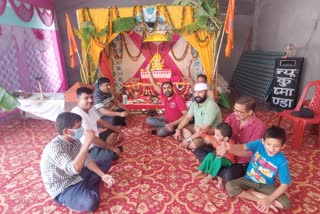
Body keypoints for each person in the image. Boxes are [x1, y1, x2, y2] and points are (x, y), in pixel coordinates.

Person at [40, 112, 115, 212]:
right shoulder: (54, 149)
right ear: (67, 131)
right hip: (64, 186)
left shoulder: (74, 140)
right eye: (79, 127)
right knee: (90, 203)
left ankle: (87, 186)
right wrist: (87, 142)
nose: (82, 129)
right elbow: (73, 169)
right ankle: (77, 194)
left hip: (77, 173)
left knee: (106, 162)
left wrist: (102, 175)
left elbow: (87, 160)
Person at [220, 126, 291, 213]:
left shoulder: (282, 161)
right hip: (248, 179)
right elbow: (243, 147)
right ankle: (258, 198)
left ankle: (252, 192)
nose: (271, 149)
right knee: (229, 186)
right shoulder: (259, 144)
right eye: (268, 144)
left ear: (283, 146)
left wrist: (269, 199)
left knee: (286, 203)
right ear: (263, 141)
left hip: (266, 185)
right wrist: (229, 147)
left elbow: (284, 185)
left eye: (276, 146)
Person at [194, 96, 266, 182]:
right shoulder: (233, 117)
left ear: (250, 112)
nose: (235, 113)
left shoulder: (259, 127)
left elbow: (250, 153)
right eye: (234, 110)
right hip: (223, 151)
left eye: (239, 112)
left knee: (229, 175)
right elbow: (221, 131)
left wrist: (229, 150)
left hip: (241, 160)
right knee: (199, 150)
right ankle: (215, 169)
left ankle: (213, 169)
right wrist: (206, 131)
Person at [72, 87, 123, 162]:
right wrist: (111, 148)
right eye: (86, 98)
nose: (90, 100)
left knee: (113, 133)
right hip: (87, 147)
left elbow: (102, 122)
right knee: (112, 156)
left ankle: (104, 150)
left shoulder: (89, 109)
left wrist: (118, 131)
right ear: (78, 100)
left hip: (96, 138)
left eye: (91, 97)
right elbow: (91, 139)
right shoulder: (77, 114)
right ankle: (106, 152)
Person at [174, 83, 222, 150]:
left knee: (192, 145)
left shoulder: (211, 106)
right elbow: (187, 117)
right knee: (181, 128)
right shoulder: (194, 104)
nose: (197, 95)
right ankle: (192, 138)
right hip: (197, 129)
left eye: (200, 92)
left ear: (206, 92)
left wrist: (188, 139)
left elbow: (204, 130)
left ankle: (194, 141)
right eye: (195, 92)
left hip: (209, 133)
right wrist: (178, 129)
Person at [146, 64, 188, 137]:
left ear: (172, 88)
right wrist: (149, 72)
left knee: (160, 133)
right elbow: (154, 83)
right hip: (167, 120)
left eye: (168, 88)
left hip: (177, 123)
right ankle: (165, 126)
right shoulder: (164, 96)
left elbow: (186, 115)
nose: (166, 90)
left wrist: (173, 124)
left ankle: (168, 128)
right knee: (148, 120)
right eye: (165, 88)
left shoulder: (178, 98)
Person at [193, 122, 235, 188]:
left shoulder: (229, 144)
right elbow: (207, 137)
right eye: (215, 134)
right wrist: (200, 132)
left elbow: (226, 154)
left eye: (217, 135)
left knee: (218, 159)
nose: (215, 136)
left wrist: (220, 150)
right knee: (210, 155)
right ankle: (201, 170)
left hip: (228, 160)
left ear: (225, 138)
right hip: (218, 155)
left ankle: (210, 176)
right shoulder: (216, 138)